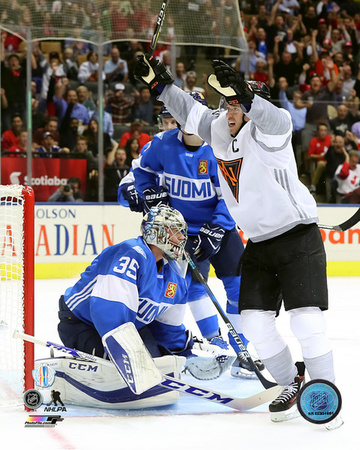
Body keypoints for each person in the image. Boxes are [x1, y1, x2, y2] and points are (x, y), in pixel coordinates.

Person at [134, 55, 343, 428]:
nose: (227, 111)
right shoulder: (217, 129)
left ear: (248, 105)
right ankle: (289, 384)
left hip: (298, 238)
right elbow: (187, 108)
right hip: (260, 244)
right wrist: (160, 85)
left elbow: (276, 118)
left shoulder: (269, 132)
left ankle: (323, 392)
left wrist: (246, 98)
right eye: (225, 104)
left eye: (234, 105)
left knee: (306, 322)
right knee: (255, 323)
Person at [55, 205, 233, 408]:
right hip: (82, 324)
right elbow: (108, 310)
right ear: (157, 233)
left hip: (131, 328)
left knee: (159, 367)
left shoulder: (174, 274)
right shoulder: (131, 254)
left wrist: (186, 356)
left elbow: (168, 328)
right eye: (175, 232)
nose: (182, 239)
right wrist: (129, 355)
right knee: (130, 369)